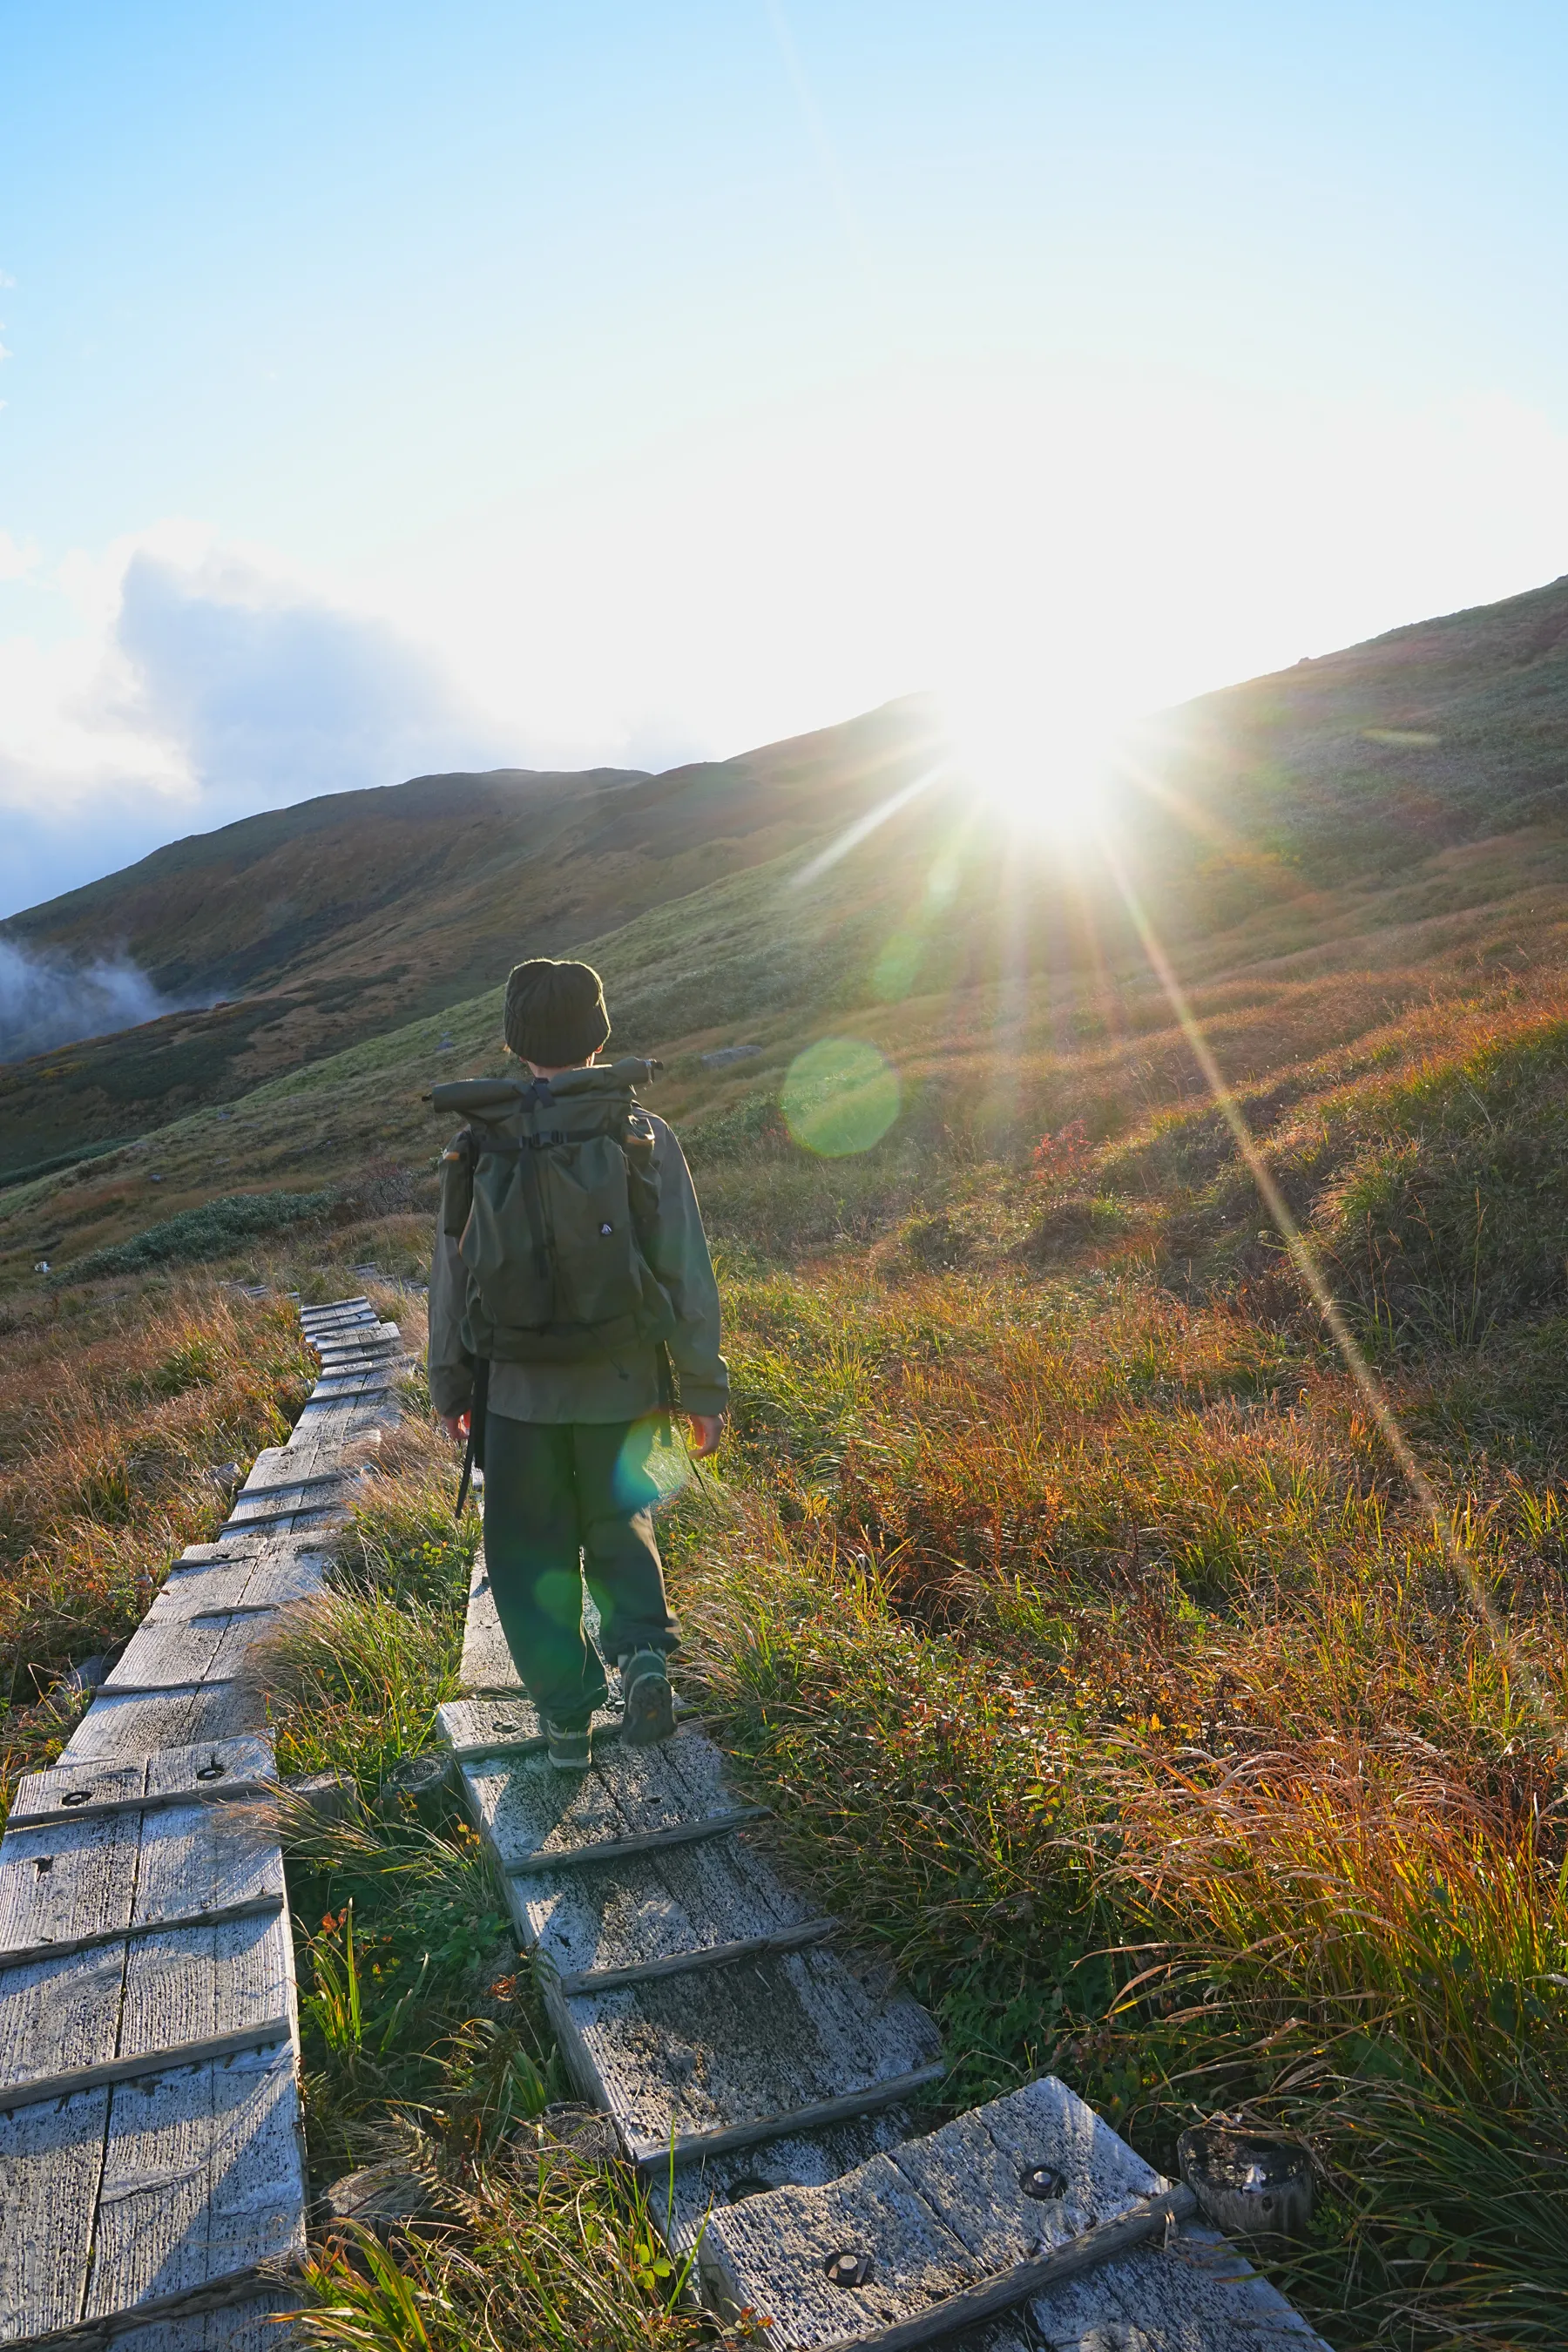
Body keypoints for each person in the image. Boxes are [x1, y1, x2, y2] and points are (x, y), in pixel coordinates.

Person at [426, 956, 727, 1770]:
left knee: (527, 1555)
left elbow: (452, 1277)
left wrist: (451, 1383)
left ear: (516, 1042)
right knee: (623, 1522)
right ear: (600, 1033)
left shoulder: (474, 1143)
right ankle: (644, 1659)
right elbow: (685, 1269)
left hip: (514, 1396)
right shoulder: (639, 1133)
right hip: (626, 1380)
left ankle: (565, 1723)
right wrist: (702, 1386)